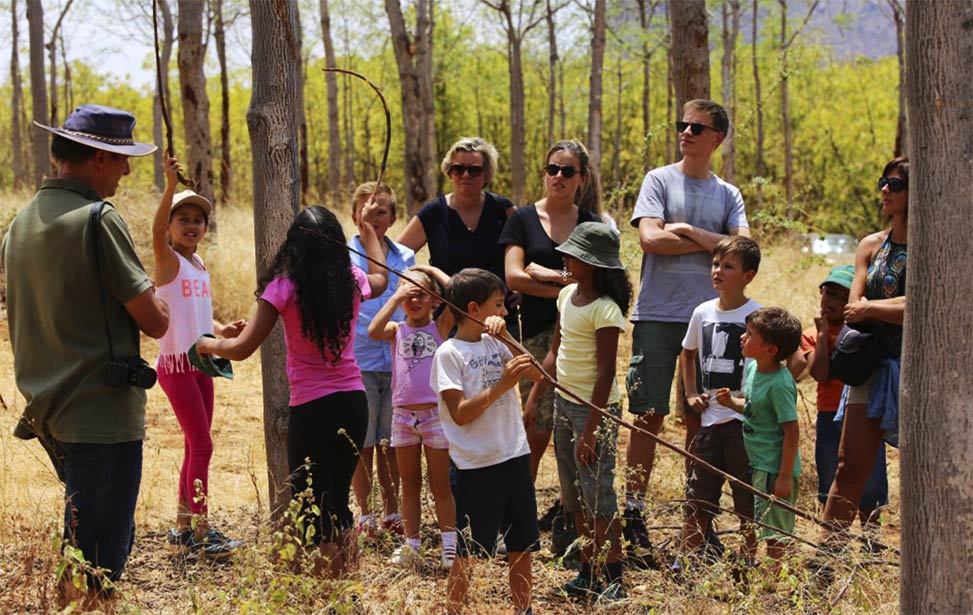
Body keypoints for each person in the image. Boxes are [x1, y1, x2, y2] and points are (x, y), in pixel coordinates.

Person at [2, 104, 169, 603]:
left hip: (50, 411)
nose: (128, 171)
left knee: (81, 549)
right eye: (122, 160)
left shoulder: (21, 222)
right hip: (101, 415)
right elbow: (154, 319)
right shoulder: (97, 218)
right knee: (97, 565)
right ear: (98, 158)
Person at [196, 204, 388, 577]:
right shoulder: (351, 279)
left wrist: (207, 344)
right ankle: (348, 589)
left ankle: (328, 596)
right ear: (336, 244)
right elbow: (380, 276)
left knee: (313, 510)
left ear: (294, 246)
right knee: (339, 505)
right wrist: (369, 233)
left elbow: (240, 349)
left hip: (312, 409)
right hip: (353, 402)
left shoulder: (283, 288)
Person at [624, 99, 750, 561]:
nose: (687, 132)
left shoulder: (728, 193)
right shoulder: (658, 180)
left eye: (698, 127)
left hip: (711, 319)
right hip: (658, 314)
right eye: (683, 124)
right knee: (648, 413)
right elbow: (650, 239)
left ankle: (698, 520)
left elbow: (744, 248)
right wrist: (712, 245)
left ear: (717, 138)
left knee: (703, 417)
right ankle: (633, 515)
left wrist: (689, 230)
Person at [498, 140, 601, 535]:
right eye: (552, 169)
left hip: (579, 337)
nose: (558, 177)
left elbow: (598, 280)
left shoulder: (591, 222)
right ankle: (517, 517)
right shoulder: (522, 219)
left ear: (582, 178)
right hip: (531, 334)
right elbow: (513, 276)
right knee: (533, 428)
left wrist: (544, 274)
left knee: (573, 426)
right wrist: (567, 283)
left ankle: (570, 516)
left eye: (568, 171)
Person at [430, 269, 541, 615]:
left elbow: (539, 374)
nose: (505, 312)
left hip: (514, 455)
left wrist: (508, 337)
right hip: (477, 465)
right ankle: (454, 610)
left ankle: (524, 609)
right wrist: (501, 388)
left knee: (521, 544)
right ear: (475, 308)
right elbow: (460, 413)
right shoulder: (449, 354)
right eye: (499, 305)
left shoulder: (497, 343)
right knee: (470, 550)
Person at [152, 153, 246, 558]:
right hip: (176, 365)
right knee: (203, 446)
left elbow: (197, 314)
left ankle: (182, 527)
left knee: (196, 446)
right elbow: (154, 233)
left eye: (198, 220)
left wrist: (224, 331)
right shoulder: (167, 259)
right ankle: (203, 531)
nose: (192, 226)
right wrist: (170, 186)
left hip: (203, 361)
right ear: (171, 226)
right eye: (183, 218)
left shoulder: (199, 263)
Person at [532, 222, 632, 600]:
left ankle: (614, 575)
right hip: (564, 403)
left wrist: (591, 429)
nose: (564, 258)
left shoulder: (605, 310)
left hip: (595, 411)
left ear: (591, 263)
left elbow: (606, 373)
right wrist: (535, 397)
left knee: (598, 493)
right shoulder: (567, 295)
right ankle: (588, 569)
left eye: (573, 254)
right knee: (574, 492)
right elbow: (555, 353)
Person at [822, 158, 908, 547]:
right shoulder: (871, 245)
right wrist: (884, 309)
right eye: (883, 182)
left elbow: (927, 303)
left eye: (896, 183)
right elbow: (853, 305)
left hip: (924, 369)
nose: (885, 190)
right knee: (849, 464)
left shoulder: (942, 245)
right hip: (873, 365)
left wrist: (875, 309)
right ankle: (826, 559)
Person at [675, 236, 762, 573]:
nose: (718, 271)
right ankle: (685, 561)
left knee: (746, 497)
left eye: (728, 266)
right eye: (715, 264)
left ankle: (749, 561)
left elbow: (781, 362)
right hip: (709, 422)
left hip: (742, 424)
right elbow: (688, 352)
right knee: (699, 495)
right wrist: (691, 392)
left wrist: (751, 401)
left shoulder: (756, 314)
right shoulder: (702, 312)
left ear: (748, 275)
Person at [368, 266, 456, 569]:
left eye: (422, 294)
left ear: (434, 300)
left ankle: (449, 545)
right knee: (408, 482)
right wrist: (395, 297)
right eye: (409, 294)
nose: (414, 300)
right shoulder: (396, 330)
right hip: (402, 418)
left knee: (440, 483)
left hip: (435, 416)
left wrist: (430, 271)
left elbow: (458, 292)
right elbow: (372, 330)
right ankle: (412, 544)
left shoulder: (441, 327)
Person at [793, 266, 888, 538]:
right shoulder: (812, 335)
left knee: (871, 487)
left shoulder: (863, 333)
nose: (830, 302)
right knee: (831, 482)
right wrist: (823, 335)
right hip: (828, 415)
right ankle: (834, 547)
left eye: (840, 296)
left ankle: (873, 545)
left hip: (864, 414)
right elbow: (820, 373)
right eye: (827, 294)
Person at [347, 182, 414, 539]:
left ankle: (393, 511)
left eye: (383, 211)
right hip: (358, 358)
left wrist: (400, 329)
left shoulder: (404, 256)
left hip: (397, 360)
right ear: (354, 216)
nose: (375, 217)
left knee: (392, 440)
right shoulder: (344, 253)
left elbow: (413, 301)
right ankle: (365, 512)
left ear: (393, 218)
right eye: (368, 211)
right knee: (364, 439)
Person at [719, 307, 803, 572]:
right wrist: (733, 403)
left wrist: (784, 476)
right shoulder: (754, 368)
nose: (743, 337)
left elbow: (792, 431)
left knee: (774, 530)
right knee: (761, 520)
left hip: (774, 468)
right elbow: (755, 408)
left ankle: (772, 581)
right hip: (759, 464)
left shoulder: (780, 383)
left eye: (750, 334)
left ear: (771, 349)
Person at [397, 137, 514, 282]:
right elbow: (396, 259)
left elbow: (529, 255)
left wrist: (521, 291)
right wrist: (422, 286)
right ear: (450, 172)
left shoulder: (503, 210)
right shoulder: (433, 213)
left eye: (474, 170)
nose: (465, 175)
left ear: (486, 174)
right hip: (447, 302)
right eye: (458, 169)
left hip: (497, 303)